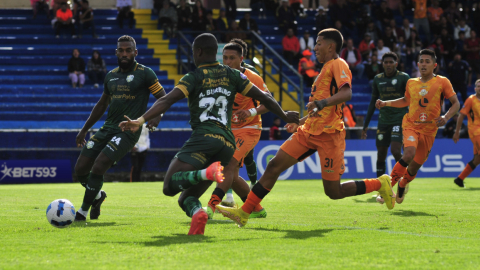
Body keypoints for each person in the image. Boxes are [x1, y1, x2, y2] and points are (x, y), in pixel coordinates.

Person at [118, 33, 299, 235]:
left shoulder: (194, 76)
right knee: (185, 199)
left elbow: (166, 100)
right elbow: (264, 96)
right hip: (227, 142)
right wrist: (284, 115)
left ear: (199, 52)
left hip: (204, 137)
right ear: (218, 53)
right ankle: (199, 213)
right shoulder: (234, 75)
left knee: (169, 186)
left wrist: (140, 120)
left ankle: (207, 172)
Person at [217, 28, 398, 228]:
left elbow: (346, 93)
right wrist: (300, 122)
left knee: (333, 192)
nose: (315, 48)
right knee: (274, 166)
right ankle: (244, 212)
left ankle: (380, 183)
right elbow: (320, 109)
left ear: (331, 46)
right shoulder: (324, 69)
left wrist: (322, 103)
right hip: (308, 131)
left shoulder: (338, 64)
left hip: (329, 135)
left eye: (319, 44)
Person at [73, 35, 166, 222]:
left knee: (99, 165)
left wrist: (157, 116)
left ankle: (82, 213)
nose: (124, 54)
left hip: (128, 131)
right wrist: (84, 129)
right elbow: (101, 105)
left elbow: (163, 98)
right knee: (80, 170)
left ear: (135, 52)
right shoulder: (111, 75)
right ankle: (98, 196)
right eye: (121, 50)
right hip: (108, 128)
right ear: (116, 52)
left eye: (128, 50)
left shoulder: (146, 73)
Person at [375, 49, 460, 206]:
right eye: (421, 61)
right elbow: (405, 101)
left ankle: (402, 185)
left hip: (429, 131)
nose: (423, 64)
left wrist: (446, 117)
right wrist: (386, 103)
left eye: (427, 61)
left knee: (413, 168)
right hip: (411, 125)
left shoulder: (442, 82)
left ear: (434, 65)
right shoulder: (411, 83)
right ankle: (387, 188)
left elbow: (456, 103)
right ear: (417, 64)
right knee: (408, 154)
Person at [203, 42, 273, 220]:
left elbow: (269, 102)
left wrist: (250, 112)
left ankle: (210, 207)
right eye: (225, 57)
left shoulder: (252, 77)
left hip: (250, 128)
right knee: (232, 176)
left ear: (241, 59)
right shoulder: (218, 77)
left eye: (232, 58)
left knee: (229, 166)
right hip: (228, 130)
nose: (227, 61)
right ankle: (257, 209)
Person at [362, 52, 410, 177]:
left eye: (391, 62)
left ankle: (403, 178)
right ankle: (380, 186)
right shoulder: (378, 79)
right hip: (383, 121)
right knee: (381, 154)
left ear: (396, 64)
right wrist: (365, 125)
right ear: (382, 64)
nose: (388, 65)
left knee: (395, 150)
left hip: (399, 119)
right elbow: (373, 102)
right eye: (386, 62)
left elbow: (411, 100)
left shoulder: (404, 78)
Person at [453, 80, 480, 187]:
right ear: (475, 89)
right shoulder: (471, 100)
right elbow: (461, 115)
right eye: (478, 86)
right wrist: (457, 132)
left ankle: (459, 179)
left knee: (477, 159)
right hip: (475, 132)